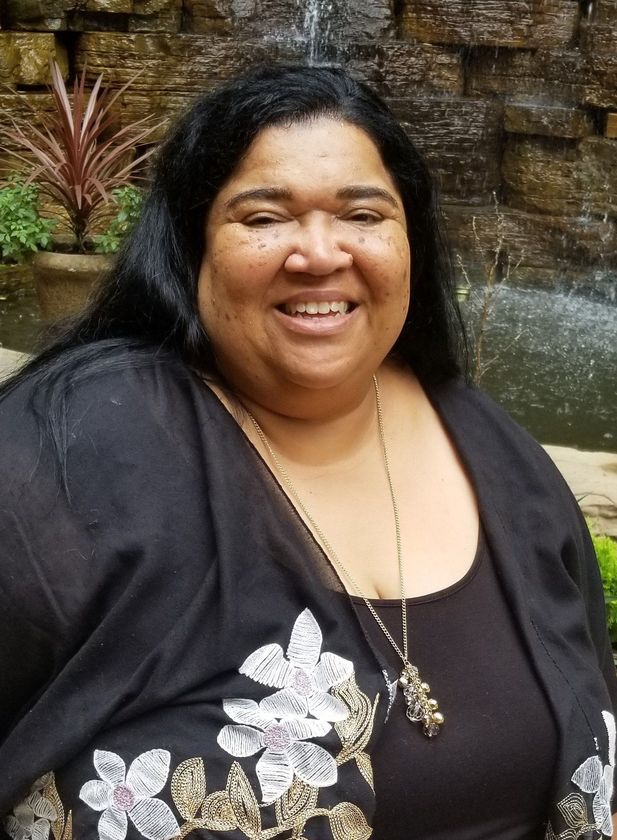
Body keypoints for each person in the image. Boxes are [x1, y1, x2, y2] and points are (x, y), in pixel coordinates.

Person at [0, 65, 614, 840]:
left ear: (408, 242)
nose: (318, 253)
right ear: (191, 249)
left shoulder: (492, 448)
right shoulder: (69, 454)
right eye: (263, 219)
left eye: (362, 213)